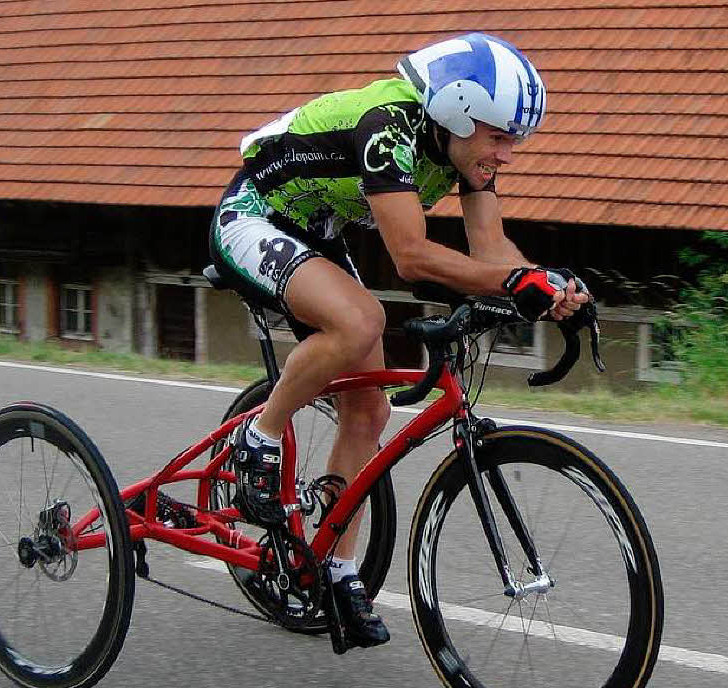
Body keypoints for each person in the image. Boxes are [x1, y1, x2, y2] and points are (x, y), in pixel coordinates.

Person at [209, 32, 589, 648]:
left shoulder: (466, 151)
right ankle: (262, 432)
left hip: (316, 232)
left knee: (369, 409)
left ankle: (334, 568)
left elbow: (491, 252)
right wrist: (515, 281)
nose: (510, 153)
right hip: (251, 216)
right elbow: (411, 257)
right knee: (360, 321)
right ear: (456, 113)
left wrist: (549, 289)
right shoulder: (388, 128)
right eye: (499, 137)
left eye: (515, 139)